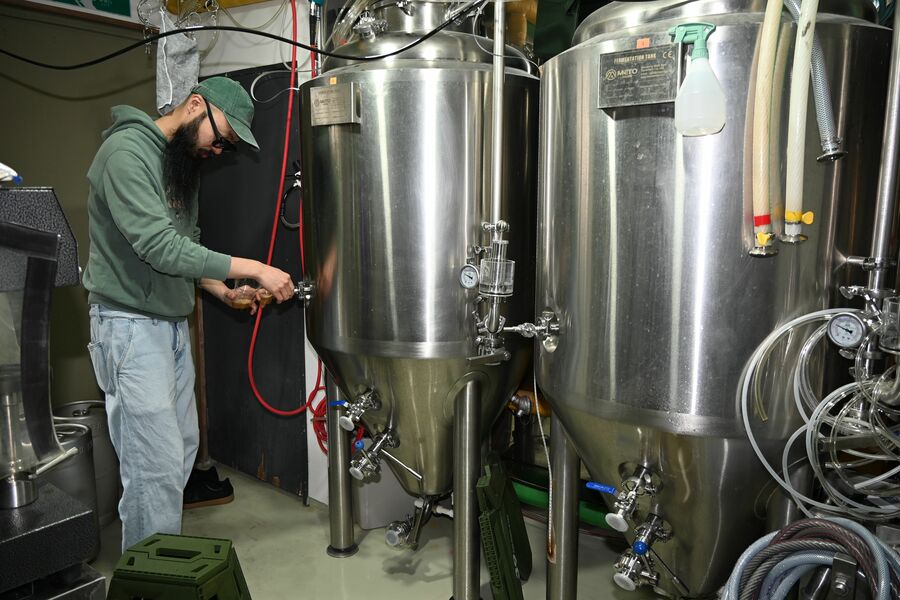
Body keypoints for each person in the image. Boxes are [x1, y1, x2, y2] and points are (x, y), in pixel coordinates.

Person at [83, 76, 294, 552]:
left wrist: (221, 290)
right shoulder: (126, 155)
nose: (218, 150)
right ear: (195, 105)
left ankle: (157, 564)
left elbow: (186, 244)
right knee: (152, 473)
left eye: (227, 147)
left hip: (171, 327)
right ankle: (150, 577)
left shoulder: (178, 161)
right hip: (131, 329)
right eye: (221, 138)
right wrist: (256, 268)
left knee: (177, 456)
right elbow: (160, 247)